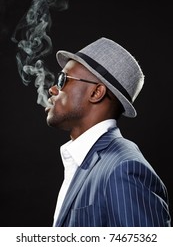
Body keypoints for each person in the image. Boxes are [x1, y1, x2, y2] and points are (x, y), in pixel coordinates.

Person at [45, 37, 171, 227]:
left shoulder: (123, 169)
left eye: (63, 80)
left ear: (96, 93)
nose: (53, 89)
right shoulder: (87, 161)